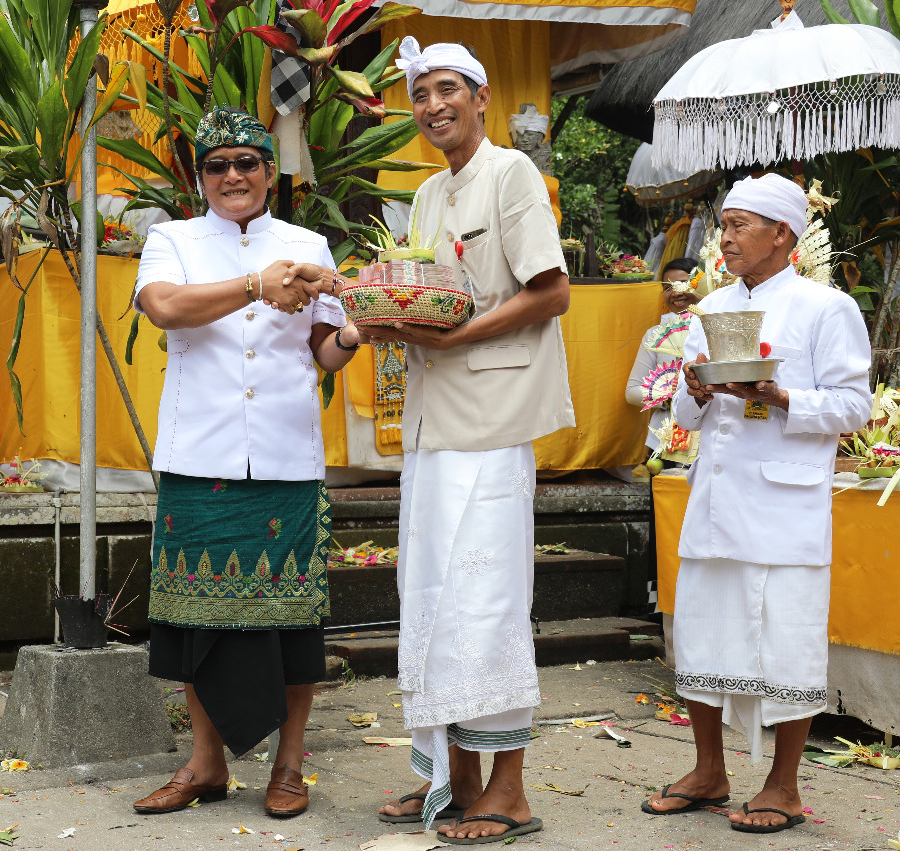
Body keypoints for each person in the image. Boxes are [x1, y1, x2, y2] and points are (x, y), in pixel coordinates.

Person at [366, 37, 574, 845]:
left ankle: (510, 789)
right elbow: (427, 295)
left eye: (447, 89)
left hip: (490, 418)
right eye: (420, 95)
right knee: (431, 595)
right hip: (430, 423)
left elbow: (550, 291)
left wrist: (454, 339)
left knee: (486, 599)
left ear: (482, 97)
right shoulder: (424, 195)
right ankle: (454, 778)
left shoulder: (512, 173)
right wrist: (384, 318)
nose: (433, 106)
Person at [129, 107, 362, 821]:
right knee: (195, 619)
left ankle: (289, 766)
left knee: (292, 623)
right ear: (199, 176)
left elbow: (321, 349)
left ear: (270, 170)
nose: (234, 175)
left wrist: (353, 332)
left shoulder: (307, 241)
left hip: (288, 456)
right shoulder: (171, 239)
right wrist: (257, 286)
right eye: (218, 164)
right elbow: (164, 307)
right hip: (199, 453)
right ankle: (205, 763)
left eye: (247, 163)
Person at [644, 173, 870, 833]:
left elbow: (853, 404)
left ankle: (784, 784)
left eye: (741, 224)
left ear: (782, 234)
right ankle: (709, 769)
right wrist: (698, 387)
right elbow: (685, 409)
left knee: (785, 641)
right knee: (702, 635)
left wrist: (778, 396)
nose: (727, 235)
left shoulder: (826, 308)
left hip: (784, 505)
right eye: (725, 222)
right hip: (716, 497)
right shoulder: (710, 308)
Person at [625, 257, 699, 454]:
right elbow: (632, 392)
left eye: (683, 283)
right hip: (664, 441)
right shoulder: (656, 334)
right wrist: (668, 396)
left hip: (708, 437)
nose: (675, 292)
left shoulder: (716, 327)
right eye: (667, 287)